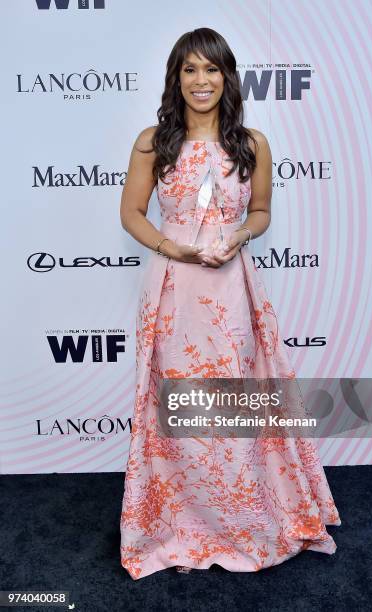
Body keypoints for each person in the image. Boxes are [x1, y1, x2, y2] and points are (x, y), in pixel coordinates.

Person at [119, 27, 341, 580]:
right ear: (176, 77)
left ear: (227, 77)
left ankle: (237, 518)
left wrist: (236, 237)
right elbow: (131, 214)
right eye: (190, 70)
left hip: (230, 287)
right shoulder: (153, 141)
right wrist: (174, 247)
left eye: (212, 69)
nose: (201, 81)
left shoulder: (253, 143)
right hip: (173, 288)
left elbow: (260, 212)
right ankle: (180, 520)